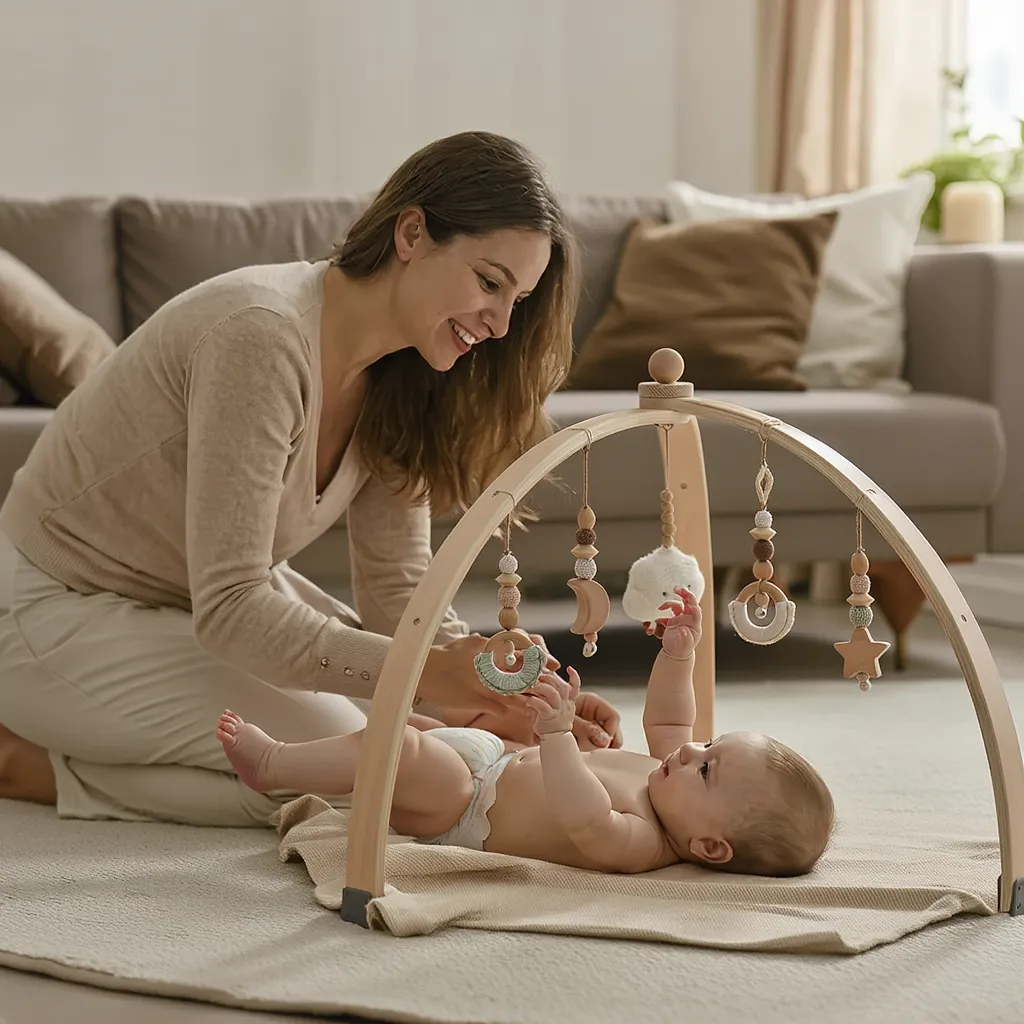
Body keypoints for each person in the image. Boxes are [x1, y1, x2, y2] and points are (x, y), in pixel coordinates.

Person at [0, 131, 623, 827]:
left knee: (423, 744)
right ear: (411, 233)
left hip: (191, 607)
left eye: (519, 299)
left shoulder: (405, 371)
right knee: (361, 774)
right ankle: (32, 764)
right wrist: (428, 675)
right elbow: (233, 606)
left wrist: (504, 692)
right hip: (54, 604)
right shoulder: (260, 336)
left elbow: (395, 585)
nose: (503, 325)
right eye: (489, 283)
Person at [218, 588, 836, 876]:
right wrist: (678, 655)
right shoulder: (669, 774)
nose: (693, 747)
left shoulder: (643, 843)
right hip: (494, 757)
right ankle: (338, 752)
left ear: (710, 847)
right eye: (712, 743)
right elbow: (671, 718)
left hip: (464, 808)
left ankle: (275, 766)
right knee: (409, 723)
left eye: (707, 767)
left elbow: (585, 818)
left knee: (400, 749)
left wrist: (560, 736)